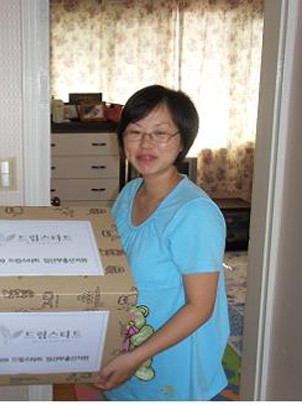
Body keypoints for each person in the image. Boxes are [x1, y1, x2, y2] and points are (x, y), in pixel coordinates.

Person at [94, 85, 229, 400]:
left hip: (173, 364)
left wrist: (135, 358)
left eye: (160, 133)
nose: (145, 143)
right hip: (128, 349)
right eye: (135, 132)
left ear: (183, 140)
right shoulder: (129, 193)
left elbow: (200, 308)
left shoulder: (194, 213)